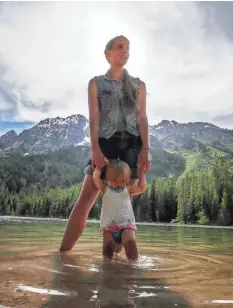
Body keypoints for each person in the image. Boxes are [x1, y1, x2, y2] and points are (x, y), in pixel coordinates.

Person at [59, 35, 151, 252]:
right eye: (120, 47)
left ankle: (114, 262)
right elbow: (94, 118)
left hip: (132, 146)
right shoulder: (96, 83)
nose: (125, 51)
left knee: (122, 201)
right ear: (108, 53)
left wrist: (146, 149)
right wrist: (95, 150)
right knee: (86, 198)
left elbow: (142, 119)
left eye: (128, 48)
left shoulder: (139, 85)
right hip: (105, 143)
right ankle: (63, 253)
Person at [93, 160, 147, 260]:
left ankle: (133, 265)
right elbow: (96, 178)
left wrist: (142, 174)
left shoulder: (128, 189)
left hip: (127, 224)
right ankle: (107, 268)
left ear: (127, 179)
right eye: (115, 180)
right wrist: (98, 168)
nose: (119, 183)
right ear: (108, 179)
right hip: (109, 227)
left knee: (130, 242)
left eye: (122, 181)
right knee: (108, 250)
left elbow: (142, 188)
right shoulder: (105, 189)